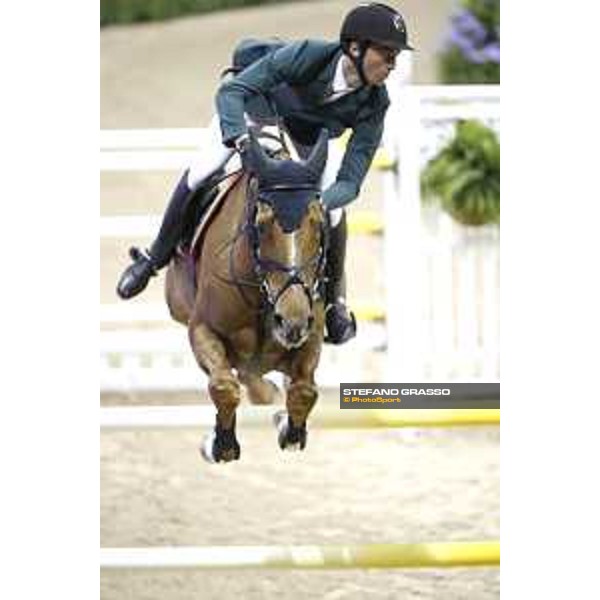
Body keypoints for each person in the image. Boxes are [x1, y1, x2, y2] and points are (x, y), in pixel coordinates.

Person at [116, 2, 413, 344]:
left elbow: (349, 181)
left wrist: (318, 200)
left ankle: (334, 305)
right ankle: (153, 259)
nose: (392, 64)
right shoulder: (309, 55)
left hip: (309, 142)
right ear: (355, 48)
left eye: (395, 56)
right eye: (387, 54)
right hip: (256, 114)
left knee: (335, 211)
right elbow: (233, 91)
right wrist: (240, 140)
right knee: (201, 171)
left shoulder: (377, 103)